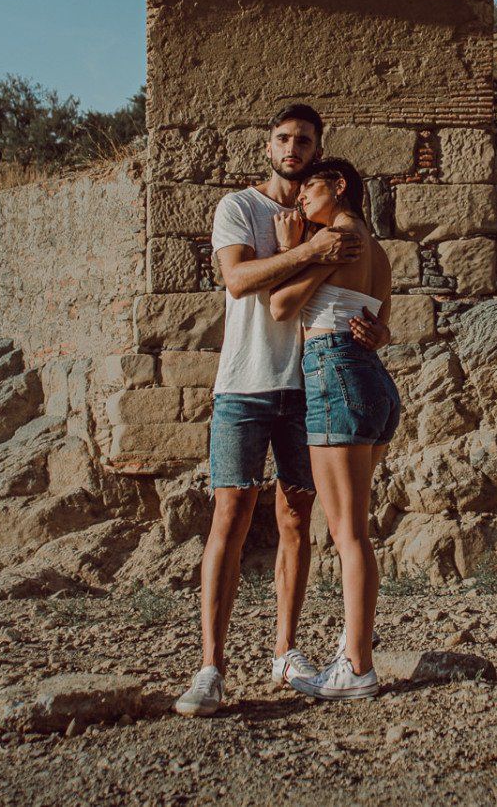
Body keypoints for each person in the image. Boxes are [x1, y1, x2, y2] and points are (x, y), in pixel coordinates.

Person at [174, 106, 392, 718]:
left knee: (298, 518)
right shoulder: (240, 208)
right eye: (283, 138)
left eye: (305, 140)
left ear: (319, 150)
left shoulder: (332, 221)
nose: (293, 148)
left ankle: (285, 651)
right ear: (268, 146)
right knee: (230, 515)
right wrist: (313, 251)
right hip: (243, 383)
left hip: (310, 387)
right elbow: (240, 282)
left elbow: (369, 301)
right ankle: (211, 667)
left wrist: (375, 334)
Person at [268, 157, 398, 701]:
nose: (300, 199)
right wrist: (378, 335)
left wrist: (288, 248)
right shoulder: (376, 246)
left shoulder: (337, 239)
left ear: (339, 187)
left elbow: (281, 305)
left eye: (309, 190)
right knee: (354, 531)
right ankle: (353, 649)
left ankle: (358, 667)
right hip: (370, 380)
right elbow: (382, 324)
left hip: (334, 374)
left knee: (348, 535)